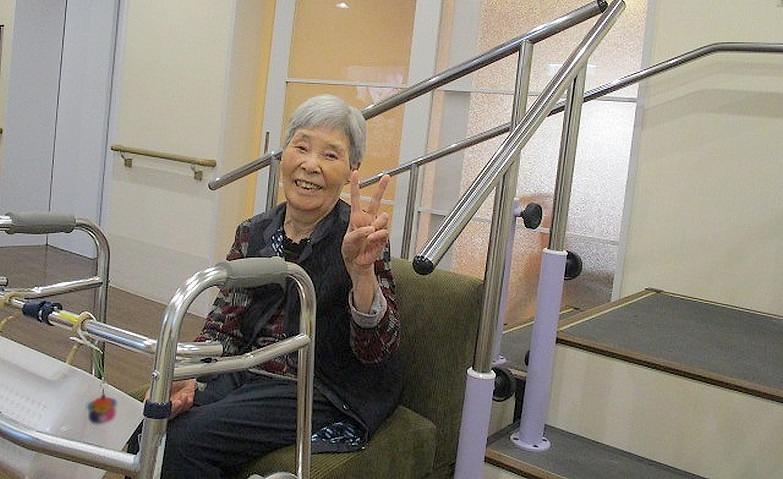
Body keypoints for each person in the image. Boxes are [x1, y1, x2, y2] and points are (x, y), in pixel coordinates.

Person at [130, 95, 401, 478]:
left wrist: (361, 274)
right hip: (252, 372)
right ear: (283, 153)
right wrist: (190, 372)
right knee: (147, 429)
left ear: (351, 170)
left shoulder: (359, 237)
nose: (310, 164)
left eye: (330, 155)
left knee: (184, 441)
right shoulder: (253, 232)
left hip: (320, 386)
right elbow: (223, 326)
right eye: (301, 147)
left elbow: (376, 351)